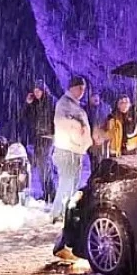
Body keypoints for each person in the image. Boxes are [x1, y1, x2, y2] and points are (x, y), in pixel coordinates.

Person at [51, 75, 92, 222]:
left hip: (75, 150)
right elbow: (62, 121)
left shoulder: (73, 104)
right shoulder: (64, 103)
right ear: (72, 88)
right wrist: (78, 126)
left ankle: (65, 212)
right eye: (79, 88)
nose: (82, 91)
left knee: (72, 183)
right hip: (67, 150)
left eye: (83, 89)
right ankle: (58, 213)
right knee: (67, 183)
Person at [24, 81, 56, 203]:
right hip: (38, 136)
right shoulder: (36, 103)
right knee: (42, 166)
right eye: (35, 91)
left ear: (43, 90)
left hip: (48, 137)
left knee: (45, 165)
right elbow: (25, 116)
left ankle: (51, 193)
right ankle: (47, 192)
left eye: (38, 91)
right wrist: (28, 104)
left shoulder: (51, 101)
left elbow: (56, 116)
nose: (36, 93)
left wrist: (54, 132)